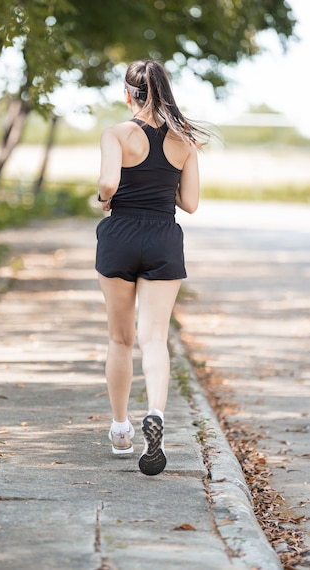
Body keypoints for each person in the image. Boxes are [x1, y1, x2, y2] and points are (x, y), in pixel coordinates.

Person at [95, 59, 205, 476]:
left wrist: (105, 198)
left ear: (128, 94)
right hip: (163, 235)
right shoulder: (184, 140)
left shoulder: (116, 134)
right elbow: (190, 203)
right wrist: (162, 184)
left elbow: (108, 185)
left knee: (119, 338)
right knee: (154, 339)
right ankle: (155, 412)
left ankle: (121, 429)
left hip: (120, 232)